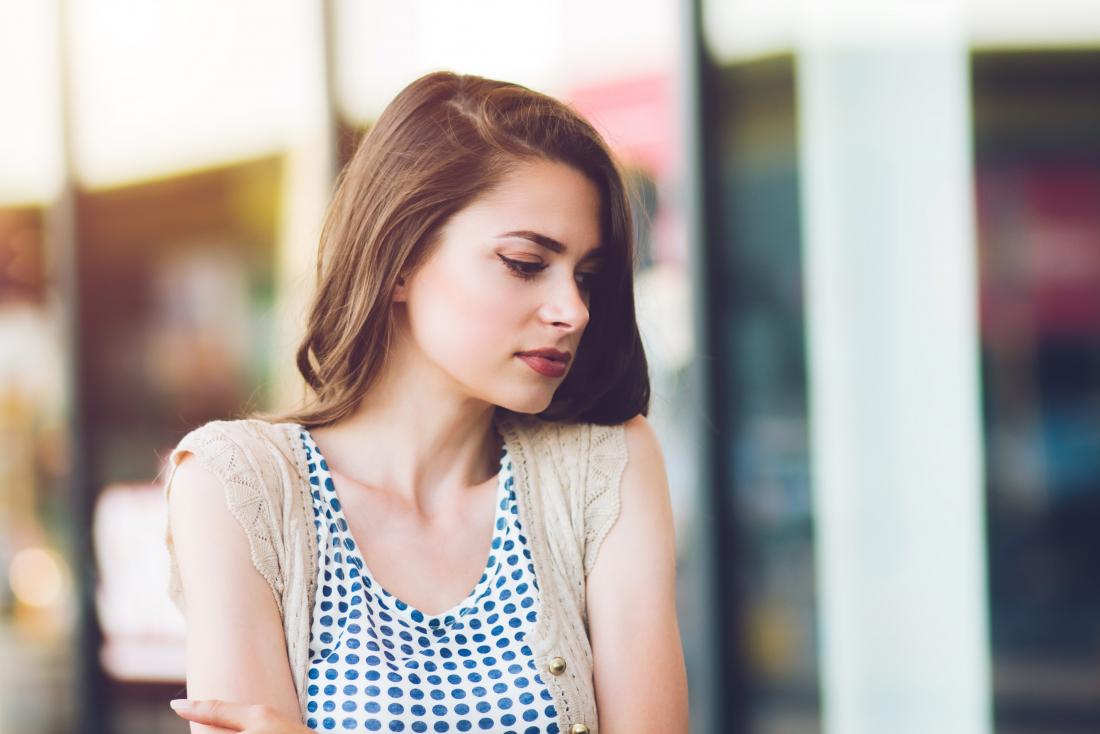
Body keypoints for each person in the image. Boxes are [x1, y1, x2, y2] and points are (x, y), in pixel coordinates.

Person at [163, 70, 688, 734]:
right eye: (526, 263)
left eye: (586, 276)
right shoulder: (238, 485)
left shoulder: (605, 466)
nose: (573, 311)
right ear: (401, 257)